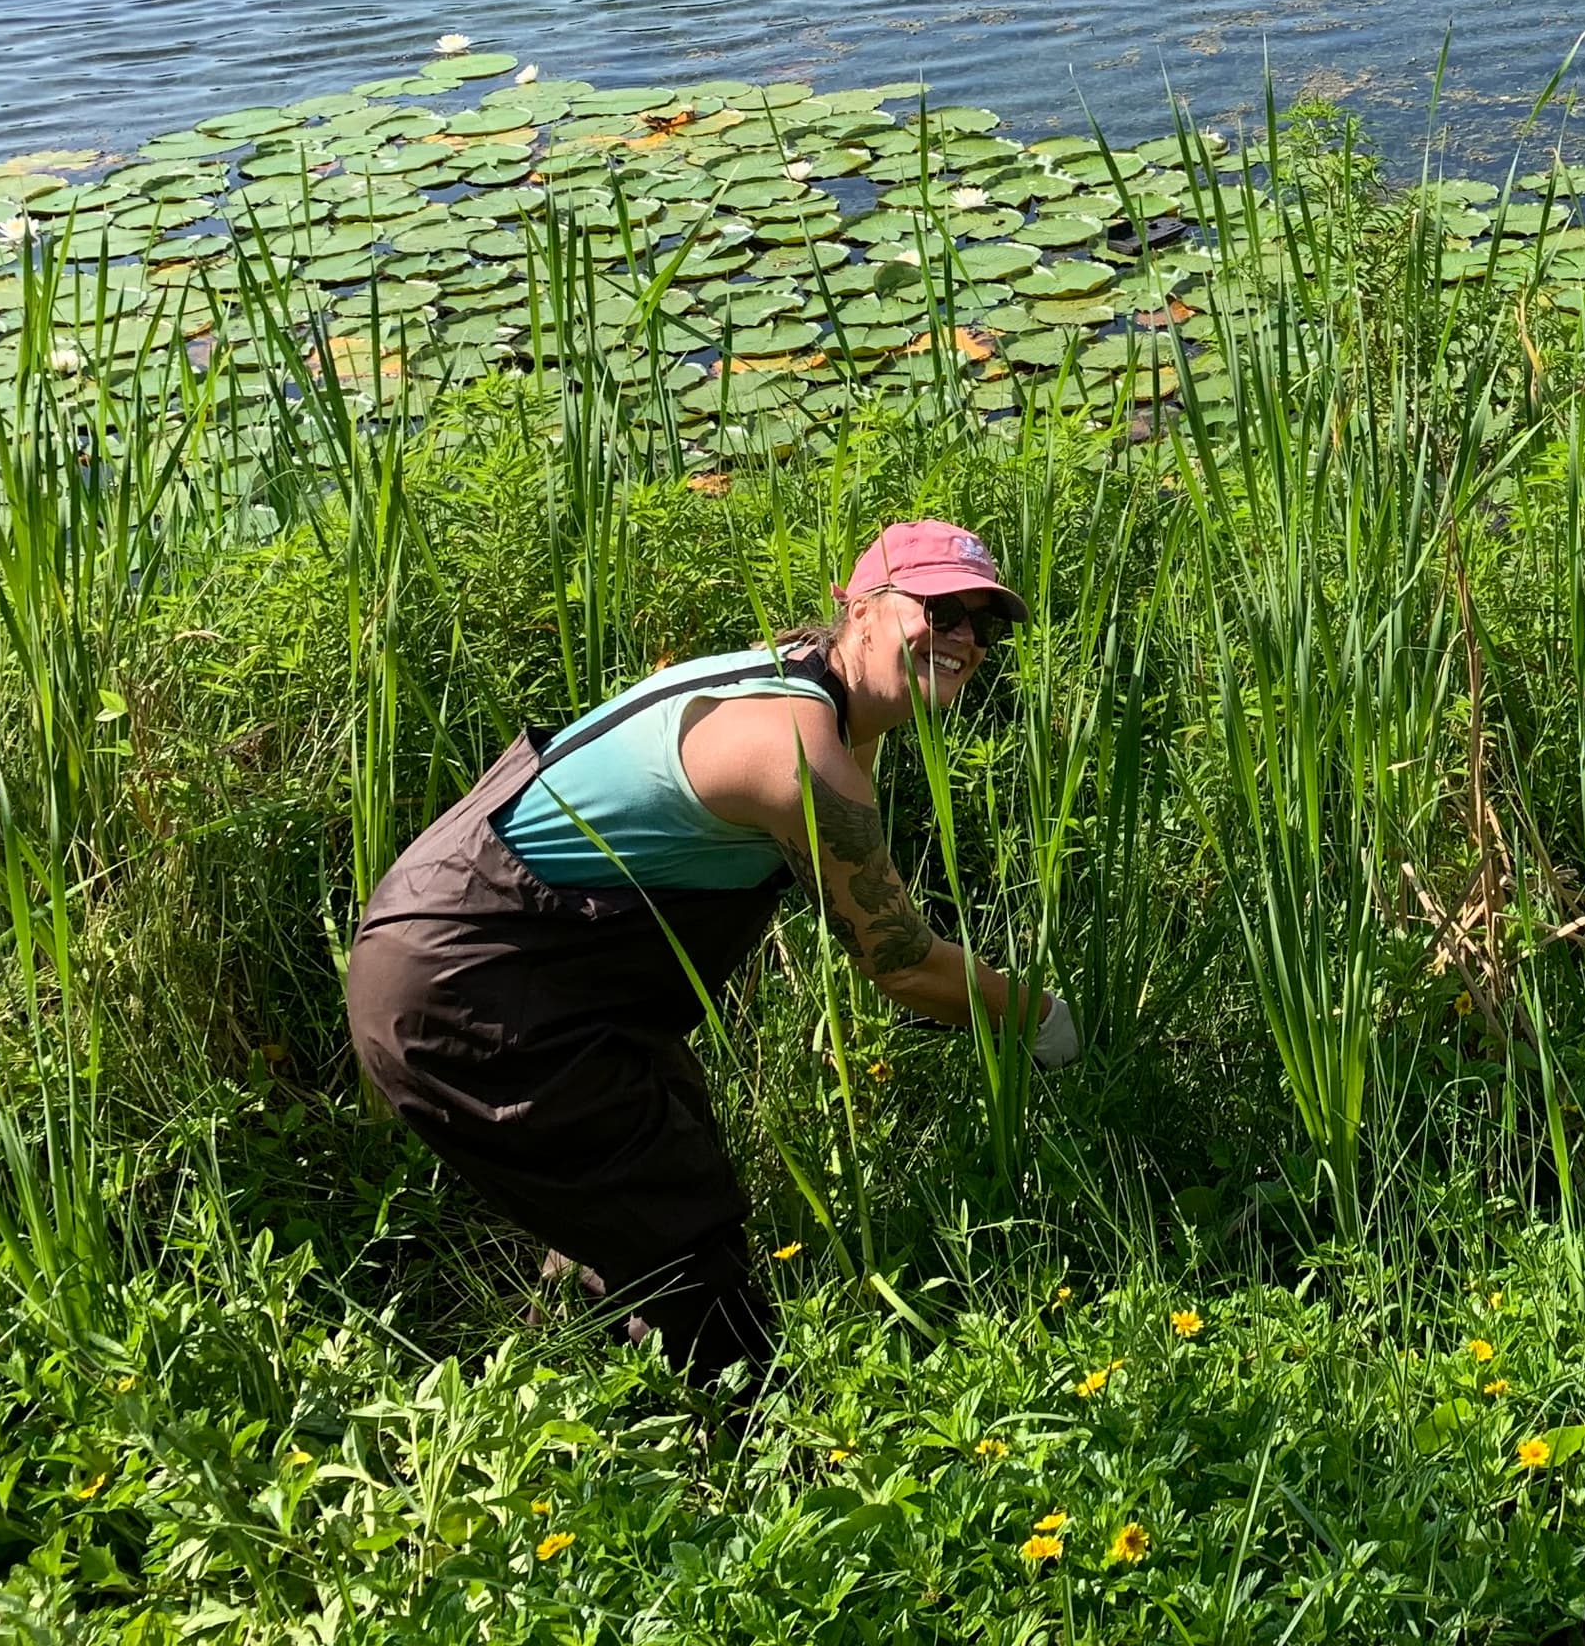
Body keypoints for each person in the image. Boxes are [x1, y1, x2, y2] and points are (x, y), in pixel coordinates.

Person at [346, 520, 1076, 1382]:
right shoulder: (797, 746)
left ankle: (588, 1399)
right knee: (686, 1229)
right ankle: (761, 1445)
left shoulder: (819, 692)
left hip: (536, 958)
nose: (962, 639)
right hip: (470, 969)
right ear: (864, 610)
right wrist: (1040, 1019)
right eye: (940, 611)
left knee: (647, 1155)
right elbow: (899, 961)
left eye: (982, 626)